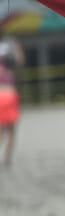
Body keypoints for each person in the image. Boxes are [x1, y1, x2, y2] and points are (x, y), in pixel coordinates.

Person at [0, 36, 24, 168]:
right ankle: (7, 160)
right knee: (12, 132)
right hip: (11, 96)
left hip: (0, 97)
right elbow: (21, 60)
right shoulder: (12, 68)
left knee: (2, 130)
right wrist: (17, 45)